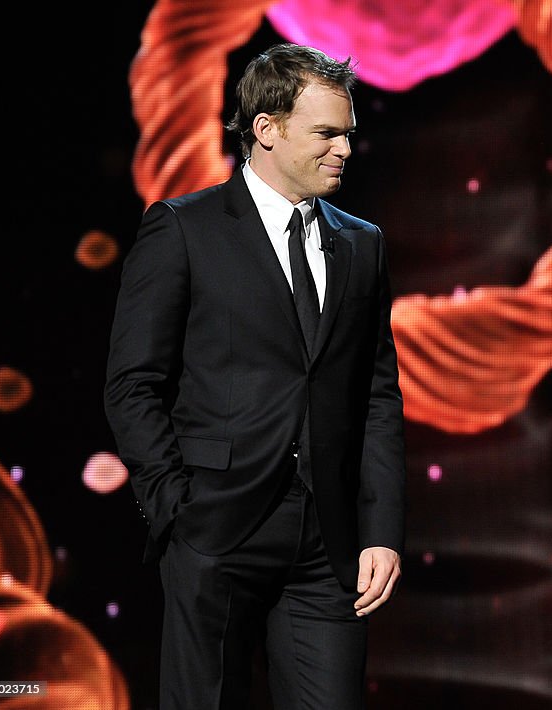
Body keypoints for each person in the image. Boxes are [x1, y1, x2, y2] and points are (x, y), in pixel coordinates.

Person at [104, 43, 405, 709]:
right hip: (214, 528)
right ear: (265, 129)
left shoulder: (362, 242)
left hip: (329, 544)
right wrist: (175, 509)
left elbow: (376, 394)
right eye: (327, 133)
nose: (345, 149)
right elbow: (132, 381)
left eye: (348, 134)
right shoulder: (184, 228)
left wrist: (382, 528)